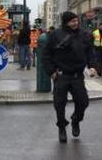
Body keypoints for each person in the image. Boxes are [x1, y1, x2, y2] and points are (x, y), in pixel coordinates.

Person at [42, 11, 98, 143]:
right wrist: (51, 71)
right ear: (66, 22)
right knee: (59, 104)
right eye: (72, 21)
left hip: (77, 75)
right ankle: (61, 127)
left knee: (83, 102)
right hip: (61, 75)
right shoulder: (55, 35)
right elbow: (46, 55)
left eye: (76, 21)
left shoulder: (84, 35)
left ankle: (76, 119)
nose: (76, 23)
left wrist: (92, 66)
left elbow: (90, 52)